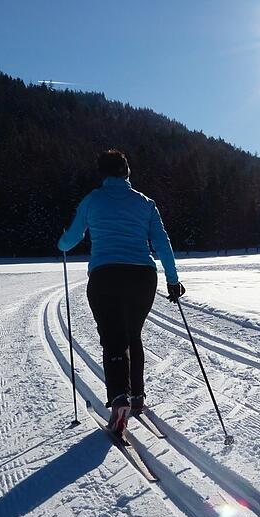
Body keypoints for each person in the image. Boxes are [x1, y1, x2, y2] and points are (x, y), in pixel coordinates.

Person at [58, 149, 185, 433]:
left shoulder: (92, 200)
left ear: (102, 174)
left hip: (106, 275)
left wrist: (61, 241)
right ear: (127, 172)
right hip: (142, 276)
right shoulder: (146, 203)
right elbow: (162, 244)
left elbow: (70, 240)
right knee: (133, 335)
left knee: (113, 338)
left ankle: (119, 399)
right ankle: (137, 396)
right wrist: (173, 281)